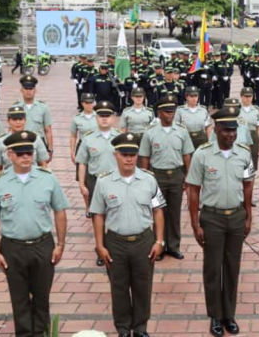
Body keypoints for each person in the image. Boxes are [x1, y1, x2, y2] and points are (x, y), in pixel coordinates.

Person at [0, 130, 68, 337]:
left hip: (42, 245)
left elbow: (60, 211)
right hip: (13, 247)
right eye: (20, 153)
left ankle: (40, 333)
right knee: (19, 298)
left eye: (29, 153)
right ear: (10, 155)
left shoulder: (47, 179)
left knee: (42, 297)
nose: (25, 158)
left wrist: (60, 244)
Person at [187, 106, 255, 337]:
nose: (230, 135)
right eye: (226, 130)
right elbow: (194, 190)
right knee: (213, 268)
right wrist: (195, 223)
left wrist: (248, 215)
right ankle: (215, 315)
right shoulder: (202, 155)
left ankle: (229, 314)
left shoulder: (244, 154)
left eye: (233, 130)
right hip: (212, 218)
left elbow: (248, 185)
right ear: (216, 129)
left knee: (232, 267)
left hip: (236, 217)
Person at [91, 133, 166, 337]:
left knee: (143, 287)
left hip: (143, 241)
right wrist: (100, 245)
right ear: (116, 154)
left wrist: (159, 240)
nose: (129, 158)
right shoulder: (104, 182)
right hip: (115, 242)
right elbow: (98, 214)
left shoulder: (149, 179)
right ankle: (123, 328)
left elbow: (158, 210)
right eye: (124, 154)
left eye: (132, 154)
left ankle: (140, 328)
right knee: (119, 288)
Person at [139, 95, 194, 261]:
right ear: (159, 112)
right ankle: (159, 245)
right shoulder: (150, 132)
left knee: (174, 213)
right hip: (157, 176)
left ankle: (174, 246)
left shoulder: (182, 131)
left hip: (176, 175)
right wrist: (143, 179)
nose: (169, 115)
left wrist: (188, 176)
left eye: (172, 112)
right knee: (158, 212)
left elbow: (186, 155)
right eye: (166, 112)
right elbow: (145, 158)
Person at [77, 101, 120, 262]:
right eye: (101, 116)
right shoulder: (88, 138)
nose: (104, 119)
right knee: (98, 217)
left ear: (113, 118)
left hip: (116, 181)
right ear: (96, 118)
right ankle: (101, 250)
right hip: (95, 181)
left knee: (116, 214)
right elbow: (82, 163)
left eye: (107, 115)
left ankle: (115, 249)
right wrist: (82, 184)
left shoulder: (120, 137)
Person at [0, 106, 50, 173]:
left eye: (20, 119)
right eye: (14, 119)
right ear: (8, 121)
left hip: (33, 179)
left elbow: (43, 164)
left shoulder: (35, 139)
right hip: (9, 179)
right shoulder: (0, 142)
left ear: (25, 120)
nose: (18, 122)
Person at [14, 75, 54, 161]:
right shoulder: (15, 107)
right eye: (26, 88)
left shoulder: (43, 107)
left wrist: (50, 149)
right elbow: (11, 129)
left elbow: (48, 130)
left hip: (39, 143)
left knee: (41, 171)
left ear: (35, 90)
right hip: (20, 142)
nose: (28, 91)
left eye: (31, 89)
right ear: (21, 90)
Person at [239, 87, 259, 172]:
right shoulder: (237, 110)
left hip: (253, 136)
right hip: (241, 137)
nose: (248, 99)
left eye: (250, 96)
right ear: (241, 97)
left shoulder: (256, 110)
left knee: (253, 161)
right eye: (245, 96)